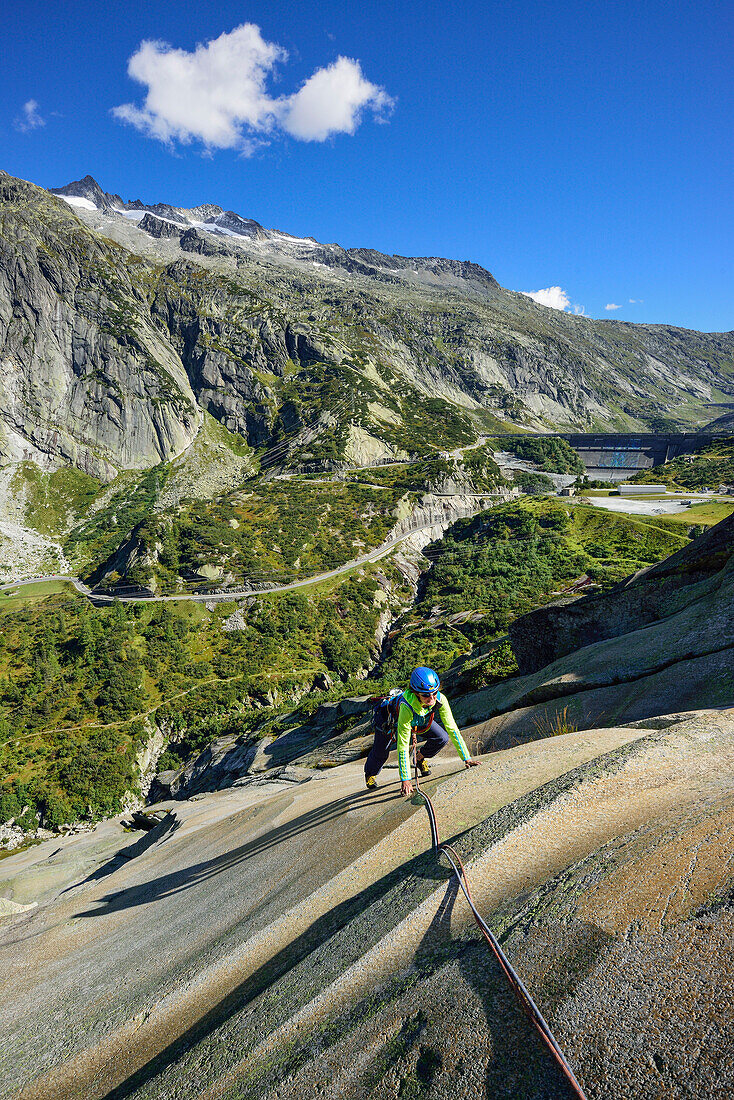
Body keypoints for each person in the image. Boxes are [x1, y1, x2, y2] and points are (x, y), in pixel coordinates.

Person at [364, 666, 479, 795]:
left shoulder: (440, 700)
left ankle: (419, 758)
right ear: (416, 693)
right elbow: (402, 744)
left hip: (419, 720)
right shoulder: (406, 706)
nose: (431, 699)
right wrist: (406, 779)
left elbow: (452, 728)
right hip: (389, 722)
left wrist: (467, 758)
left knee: (441, 737)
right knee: (381, 753)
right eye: (426, 695)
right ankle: (370, 773)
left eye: (434, 693)